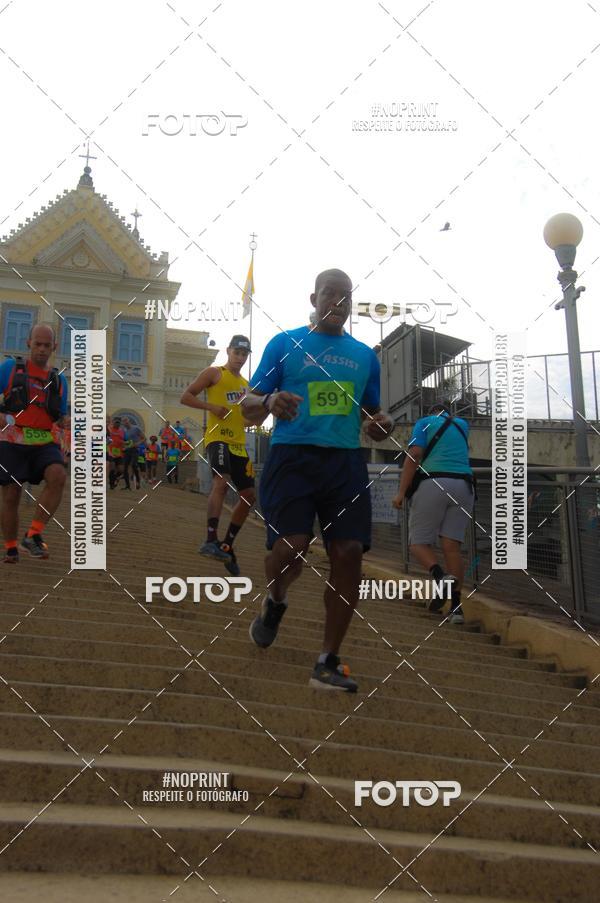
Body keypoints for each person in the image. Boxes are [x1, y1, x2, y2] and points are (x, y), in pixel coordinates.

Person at [241, 269, 393, 692]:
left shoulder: (365, 357)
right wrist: (270, 399)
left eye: (346, 296)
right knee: (292, 546)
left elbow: (372, 413)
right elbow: (247, 404)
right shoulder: (284, 344)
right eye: (330, 294)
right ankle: (275, 600)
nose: (338, 303)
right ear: (314, 298)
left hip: (345, 463)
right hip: (292, 457)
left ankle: (328, 660)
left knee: (349, 553)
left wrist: (381, 424)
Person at [181, 334, 261, 577]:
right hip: (217, 439)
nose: (240, 358)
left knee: (249, 496)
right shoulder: (214, 373)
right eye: (237, 352)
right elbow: (186, 396)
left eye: (244, 354)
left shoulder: (246, 385)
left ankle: (227, 546)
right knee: (222, 483)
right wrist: (211, 407)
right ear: (228, 351)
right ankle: (210, 539)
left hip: (238, 444)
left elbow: (246, 419)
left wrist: (263, 414)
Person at [392, 402, 473, 625]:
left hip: (434, 483)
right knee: (451, 547)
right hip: (464, 485)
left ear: (431, 413)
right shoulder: (462, 424)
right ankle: (456, 609)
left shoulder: (424, 423)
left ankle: (440, 576)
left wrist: (401, 493)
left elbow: (415, 454)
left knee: (417, 543)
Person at [0, 324, 69, 561]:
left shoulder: (59, 380)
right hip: (13, 439)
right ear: (28, 343)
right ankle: (11, 547)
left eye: (46, 345)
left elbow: (60, 415)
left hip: (43, 440)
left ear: (54, 347)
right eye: (37, 344)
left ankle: (33, 534)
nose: (41, 349)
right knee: (12, 494)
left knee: (58, 475)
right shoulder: (10, 368)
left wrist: (66, 423)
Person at [121, 416, 145, 491]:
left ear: (129, 421)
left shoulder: (136, 428)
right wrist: (124, 445)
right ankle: (127, 486)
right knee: (125, 468)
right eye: (123, 421)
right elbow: (125, 441)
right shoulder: (124, 431)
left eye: (126, 420)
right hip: (127, 450)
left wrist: (138, 443)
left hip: (135, 449)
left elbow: (144, 438)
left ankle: (138, 481)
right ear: (123, 423)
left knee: (134, 465)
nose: (125, 422)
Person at [107, 417, 126, 489]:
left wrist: (124, 445)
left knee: (121, 470)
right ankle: (111, 484)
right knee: (112, 468)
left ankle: (115, 479)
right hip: (110, 452)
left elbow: (124, 441)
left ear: (120, 423)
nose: (117, 424)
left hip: (119, 453)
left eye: (118, 422)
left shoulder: (122, 431)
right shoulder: (109, 429)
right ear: (113, 422)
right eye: (116, 422)